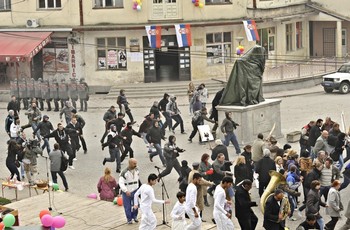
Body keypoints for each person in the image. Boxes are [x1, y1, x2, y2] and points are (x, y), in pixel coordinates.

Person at [119, 158, 140, 224]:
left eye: (136, 163)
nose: (135, 165)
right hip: (127, 191)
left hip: (135, 190)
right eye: (134, 163)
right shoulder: (124, 172)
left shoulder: (137, 170)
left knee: (136, 205)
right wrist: (125, 190)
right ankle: (129, 219)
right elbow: (121, 182)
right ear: (130, 163)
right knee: (127, 206)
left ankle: (135, 216)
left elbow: (138, 180)